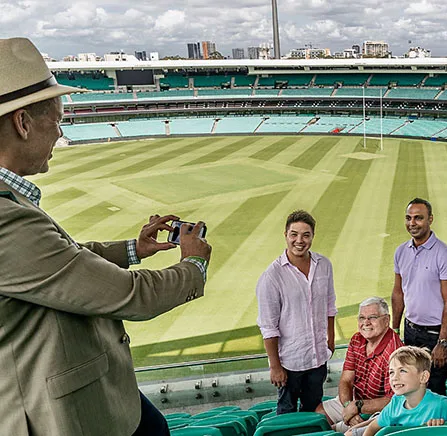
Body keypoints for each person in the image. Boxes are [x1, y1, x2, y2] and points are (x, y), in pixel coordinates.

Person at [0, 37, 212, 436]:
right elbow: (131, 295)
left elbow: (63, 259)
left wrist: (134, 248)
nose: (60, 133)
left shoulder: (10, 202)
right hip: (66, 416)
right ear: (22, 123)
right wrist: (194, 263)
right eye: (56, 119)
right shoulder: (3, 219)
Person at [256, 210, 337, 414]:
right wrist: (275, 367)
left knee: (314, 412)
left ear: (312, 236)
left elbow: (330, 305)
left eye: (305, 235)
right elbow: (268, 326)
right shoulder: (272, 276)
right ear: (285, 235)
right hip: (290, 363)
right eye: (294, 234)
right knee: (287, 415)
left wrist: (331, 340)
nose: (299, 240)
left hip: (317, 358)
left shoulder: (324, 265)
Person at [392, 198, 447, 395]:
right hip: (410, 330)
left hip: (433, 335)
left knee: (434, 389)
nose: (412, 223)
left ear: (430, 219)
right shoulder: (401, 251)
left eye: (418, 218)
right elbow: (398, 292)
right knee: (409, 387)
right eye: (409, 218)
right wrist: (395, 330)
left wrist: (443, 342)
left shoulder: (444, 254)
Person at [317, 297, 404, 431]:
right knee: (319, 416)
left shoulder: (395, 352)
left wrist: (357, 407)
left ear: (387, 320)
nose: (366, 323)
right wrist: (348, 406)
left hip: (380, 411)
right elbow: (346, 380)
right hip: (355, 401)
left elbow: (394, 400)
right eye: (362, 318)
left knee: (334, 431)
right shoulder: (357, 339)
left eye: (372, 317)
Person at [350, 346, 447, 436]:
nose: (394, 377)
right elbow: (373, 427)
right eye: (391, 372)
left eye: (402, 371)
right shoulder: (395, 403)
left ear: (423, 377)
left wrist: (442, 429)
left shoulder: (441, 405)